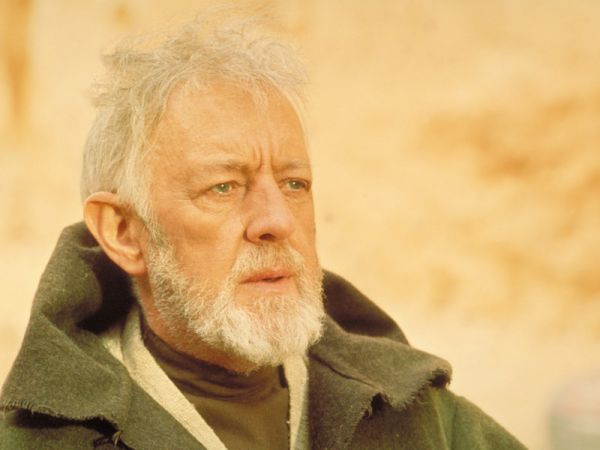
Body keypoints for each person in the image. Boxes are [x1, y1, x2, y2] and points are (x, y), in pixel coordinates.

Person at [0, 13, 527, 450]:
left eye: (295, 184)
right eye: (224, 187)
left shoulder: (423, 419)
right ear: (123, 232)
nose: (277, 221)